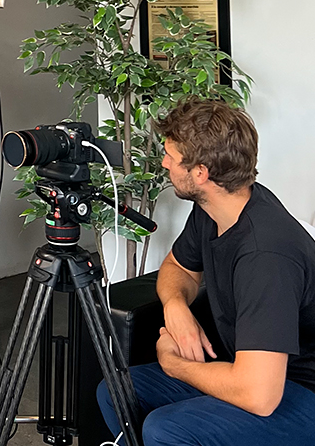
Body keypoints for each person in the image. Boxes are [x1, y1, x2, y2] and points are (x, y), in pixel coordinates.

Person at [96, 98, 315, 445]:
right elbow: (176, 266)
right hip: (245, 369)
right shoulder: (214, 209)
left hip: (298, 391)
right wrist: (176, 307)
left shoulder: (267, 256)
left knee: (165, 428)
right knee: (116, 391)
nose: (164, 163)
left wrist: (175, 365)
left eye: (171, 156)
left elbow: (260, 395)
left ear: (201, 173)